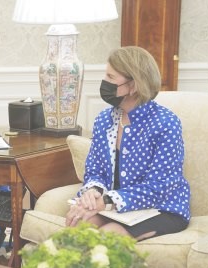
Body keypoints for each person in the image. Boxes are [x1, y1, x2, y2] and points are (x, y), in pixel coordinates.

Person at [65, 46, 190, 241]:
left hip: (162, 208)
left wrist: (107, 201)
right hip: (115, 208)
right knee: (79, 227)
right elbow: (95, 170)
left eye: (111, 77)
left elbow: (159, 186)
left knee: (108, 236)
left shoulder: (166, 124)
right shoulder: (104, 120)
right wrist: (92, 192)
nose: (104, 82)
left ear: (134, 85)